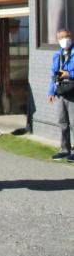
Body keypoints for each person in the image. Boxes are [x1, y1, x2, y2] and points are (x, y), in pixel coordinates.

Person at [48, 29, 74, 162]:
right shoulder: (57, 55)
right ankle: (64, 149)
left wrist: (69, 74)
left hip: (72, 91)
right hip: (60, 91)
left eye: (66, 37)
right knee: (62, 122)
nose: (64, 40)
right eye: (61, 38)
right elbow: (53, 75)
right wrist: (51, 91)